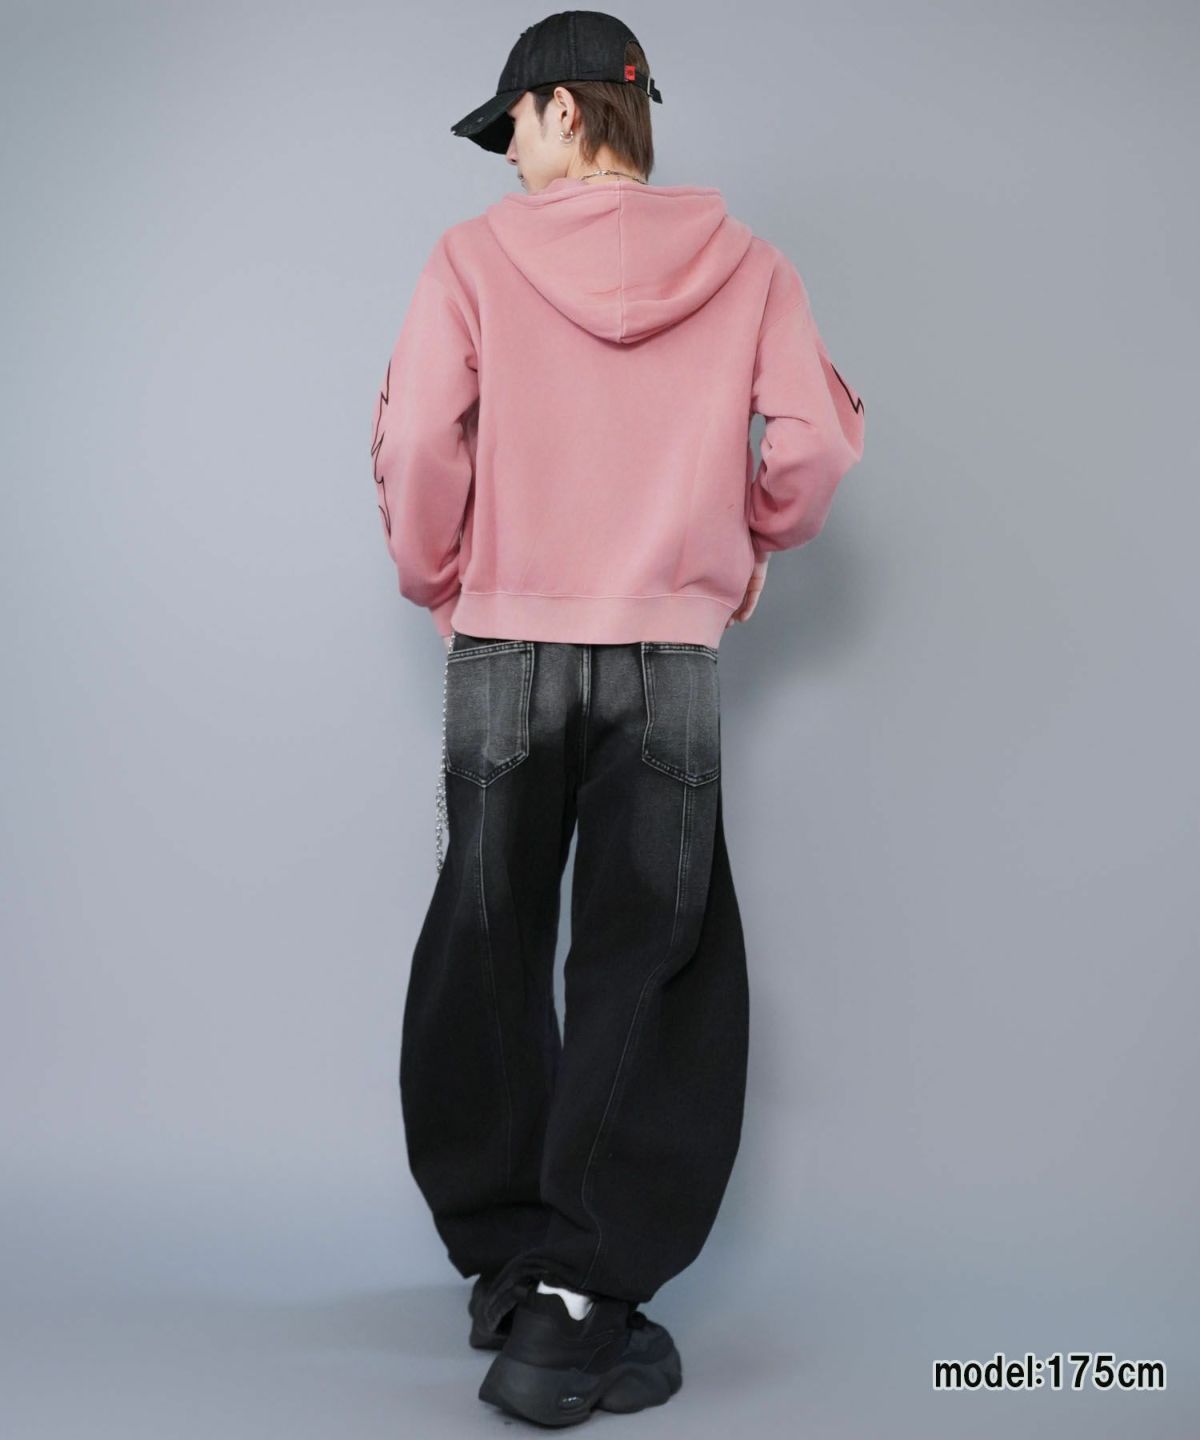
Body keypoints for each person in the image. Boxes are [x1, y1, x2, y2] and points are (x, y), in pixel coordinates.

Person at [369, 10, 866, 1425]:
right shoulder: (750, 267)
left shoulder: (471, 261)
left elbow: (418, 444)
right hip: (664, 656)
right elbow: (814, 446)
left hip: (504, 645)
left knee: (485, 940)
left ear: (571, 111)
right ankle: (580, 1298)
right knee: (651, 959)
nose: (506, 154)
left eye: (513, 125)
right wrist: (746, 546)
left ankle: (507, 1266)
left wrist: (441, 576)